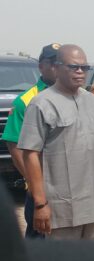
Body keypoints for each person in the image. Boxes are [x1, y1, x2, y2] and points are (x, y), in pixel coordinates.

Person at [19, 44, 94, 240]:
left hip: (92, 204)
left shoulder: (92, 101)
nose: (80, 72)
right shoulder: (42, 103)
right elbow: (30, 153)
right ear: (56, 68)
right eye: (73, 67)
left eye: (84, 67)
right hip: (60, 208)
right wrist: (40, 204)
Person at [1, 43, 59, 239]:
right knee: (40, 241)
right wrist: (36, 185)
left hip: (70, 186)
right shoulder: (26, 100)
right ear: (41, 66)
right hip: (41, 189)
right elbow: (15, 145)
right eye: (52, 63)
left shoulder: (78, 95)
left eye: (60, 62)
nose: (56, 67)